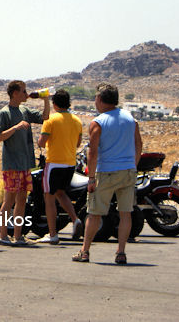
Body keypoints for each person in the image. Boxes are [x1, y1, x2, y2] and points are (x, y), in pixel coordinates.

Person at [72, 83, 142, 264]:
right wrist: (133, 165)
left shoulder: (98, 122)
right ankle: (121, 252)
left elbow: (93, 152)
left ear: (101, 99)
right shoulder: (130, 119)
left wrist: (91, 178)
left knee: (95, 213)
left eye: (96, 97)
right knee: (125, 213)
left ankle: (85, 251)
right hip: (128, 171)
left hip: (106, 172)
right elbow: (138, 144)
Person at [0, 80, 50, 246]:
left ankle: (18, 236)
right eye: (24, 91)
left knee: (22, 199)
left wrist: (46, 99)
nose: (26, 94)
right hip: (12, 164)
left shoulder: (25, 110)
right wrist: (16, 127)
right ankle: (3, 236)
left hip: (25, 164)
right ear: (15, 93)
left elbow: (45, 117)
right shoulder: (5, 113)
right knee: (9, 200)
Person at [37, 89, 83, 244]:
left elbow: (42, 143)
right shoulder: (77, 120)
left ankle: (52, 234)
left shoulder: (50, 119)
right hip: (70, 164)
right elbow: (78, 143)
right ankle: (75, 219)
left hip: (54, 163)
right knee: (61, 193)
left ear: (54, 104)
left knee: (49, 197)